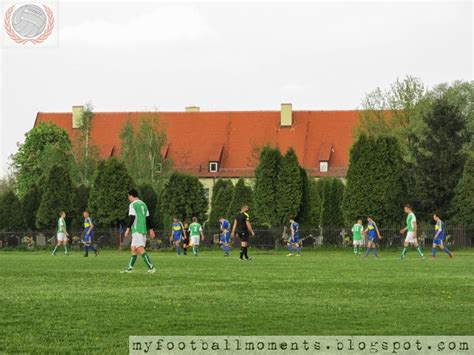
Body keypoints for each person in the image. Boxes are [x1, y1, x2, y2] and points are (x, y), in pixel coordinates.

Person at [121, 189, 156, 273]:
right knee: (133, 248)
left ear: (131, 195)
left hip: (137, 229)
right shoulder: (144, 204)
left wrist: (127, 229)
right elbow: (148, 218)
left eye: (128, 197)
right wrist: (151, 230)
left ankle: (151, 267)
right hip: (143, 229)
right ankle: (129, 269)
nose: (128, 198)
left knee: (140, 248)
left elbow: (132, 217)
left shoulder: (132, 204)